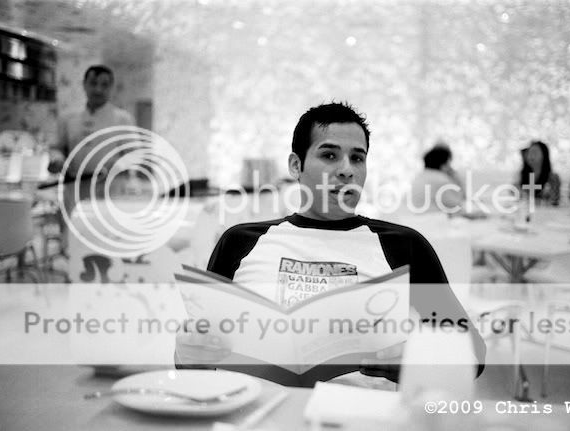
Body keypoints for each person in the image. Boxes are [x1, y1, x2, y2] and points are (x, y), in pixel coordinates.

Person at [176, 103, 485, 386]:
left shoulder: (403, 245)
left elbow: (472, 351)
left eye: (357, 158)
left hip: (359, 414)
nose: (347, 169)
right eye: (329, 155)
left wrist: (421, 360)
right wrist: (189, 355)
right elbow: (196, 357)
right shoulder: (240, 242)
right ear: (296, 166)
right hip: (255, 413)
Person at [48, 65, 135, 246]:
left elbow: (134, 155)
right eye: (93, 83)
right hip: (75, 189)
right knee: (74, 242)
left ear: (111, 88)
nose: (98, 90)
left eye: (104, 85)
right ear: (84, 85)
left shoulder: (122, 119)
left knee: (106, 242)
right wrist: (57, 160)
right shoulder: (68, 118)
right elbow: (57, 148)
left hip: (109, 191)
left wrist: (117, 166)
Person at [411, 143, 465, 213]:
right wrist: (456, 177)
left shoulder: (419, 176)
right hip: (432, 217)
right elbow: (459, 205)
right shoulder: (441, 180)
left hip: (415, 216)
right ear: (444, 164)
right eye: (449, 163)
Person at [517, 141, 561, 206]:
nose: (531, 156)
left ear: (544, 155)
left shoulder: (553, 177)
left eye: (535, 152)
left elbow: (555, 201)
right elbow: (515, 196)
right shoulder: (520, 176)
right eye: (529, 152)